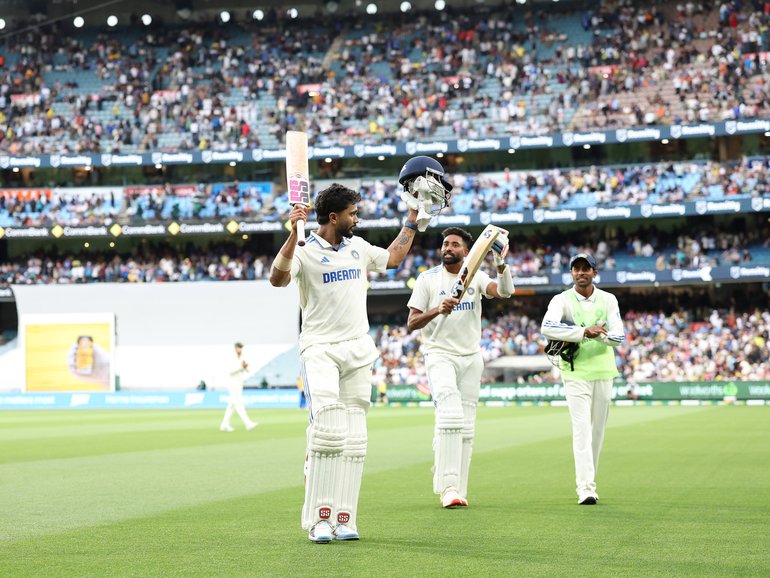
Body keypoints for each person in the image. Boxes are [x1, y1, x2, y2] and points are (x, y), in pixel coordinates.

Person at [269, 159, 451, 544]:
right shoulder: (303, 247)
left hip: (357, 349)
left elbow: (395, 258)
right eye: (353, 214)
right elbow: (277, 278)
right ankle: (319, 519)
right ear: (333, 217)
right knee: (329, 434)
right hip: (319, 349)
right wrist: (290, 235)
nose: (358, 219)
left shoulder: (358, 247)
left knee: (355, 438)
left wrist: (413, 218)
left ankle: (345, 516)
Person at [406, 226, 515, 509]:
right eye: (445, 244)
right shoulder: (427, 279)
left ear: (467, 251)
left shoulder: (476, 276)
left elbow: (505, 292)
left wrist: (500, 263)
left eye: (454, 244)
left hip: (471, 357)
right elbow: (412, 323)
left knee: (466, 427)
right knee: (451, 415)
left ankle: (458, 489)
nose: (448, 248)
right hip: (439, 354)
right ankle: (447, 486)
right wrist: (437, 309)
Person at [540, 253, 625, 505]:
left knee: (597, 431)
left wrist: (599, 336)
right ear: (571, 273)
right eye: (576, 269)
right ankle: (585, 487)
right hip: (575, 371)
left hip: (603, 370)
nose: (580, 273)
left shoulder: (608, 299)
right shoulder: (561, 299)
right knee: (581, 430)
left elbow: (619, 337)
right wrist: (584, 331)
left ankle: (590, 482)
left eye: (585, 268)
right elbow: (547, 326)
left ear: (594, 273)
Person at [220, 342, 258, 432]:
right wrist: (241, 367)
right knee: (239, 404)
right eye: (239, 347)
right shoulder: (231, 358)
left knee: (232, 405)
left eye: (241, 347)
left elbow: (247, 370)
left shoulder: (242, 357)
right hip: (232, 384)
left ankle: (224, 424)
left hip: (239, 383)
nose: (240, 349)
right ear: (235, 348)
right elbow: (230, 371)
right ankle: (248, 423)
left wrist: (245, 367)